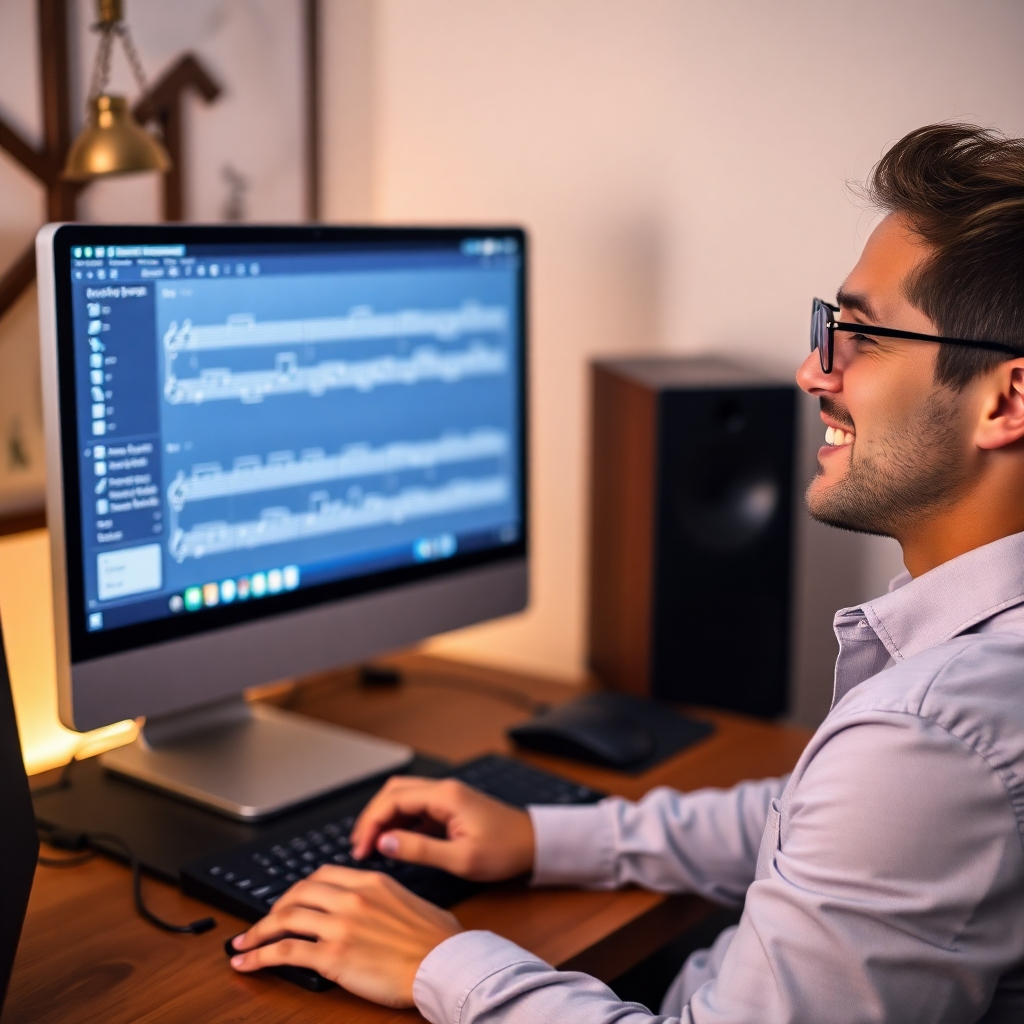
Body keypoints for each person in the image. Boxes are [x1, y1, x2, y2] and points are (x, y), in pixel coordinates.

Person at [228, 123, 1024, 1022]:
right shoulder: (957, 695)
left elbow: (879, 795)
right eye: (827, 327)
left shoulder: (928, 737)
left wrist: (437, 960)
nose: (813, 370)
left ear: (1006, 399)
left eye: (862, 336)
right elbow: (815, 819)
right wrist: (546, 838)